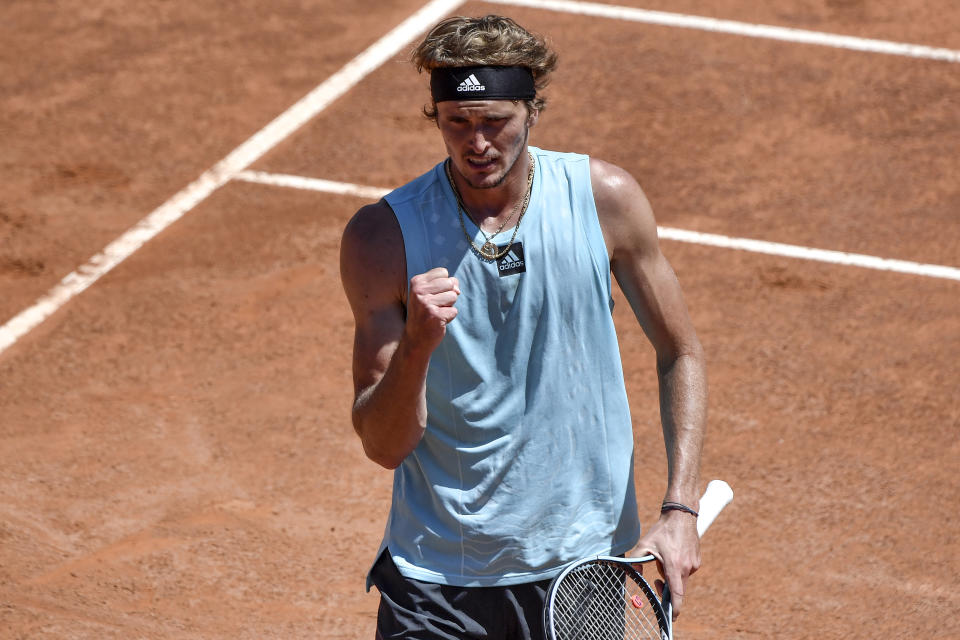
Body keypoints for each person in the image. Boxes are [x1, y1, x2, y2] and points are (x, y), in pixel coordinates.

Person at [340, 14, 707, 640]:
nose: (477, 142)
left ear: (533, 109)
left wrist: (679, 509)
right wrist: (418, 350)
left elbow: (681, 352)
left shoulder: (605, 200)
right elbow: (383, 444)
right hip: (439, 576)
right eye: (457, 121)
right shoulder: (383, 237)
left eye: (495, 121)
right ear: (436, 118)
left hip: (581, 568)